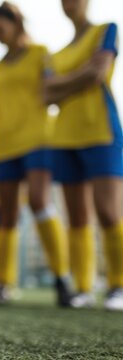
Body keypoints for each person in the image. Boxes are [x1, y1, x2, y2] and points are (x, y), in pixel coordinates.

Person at [0, 2, 72, 306]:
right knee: (7, 214)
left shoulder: (40, 53)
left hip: (38, 139)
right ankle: (3, 283)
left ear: (16, 24)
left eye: (1, 28)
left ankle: (63, 278)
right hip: (5, 145)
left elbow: (54, 88)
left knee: (39, 201)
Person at [45, 0, 122, 310]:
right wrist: (81, 75)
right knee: (76, 217)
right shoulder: (57, 52)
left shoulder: (106, 30)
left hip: (101, 132)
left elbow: (99, 72)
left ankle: (118, 285)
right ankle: (84, 288)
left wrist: (64, 84)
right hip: (64, 137)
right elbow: (46, 92)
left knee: (108, 212)